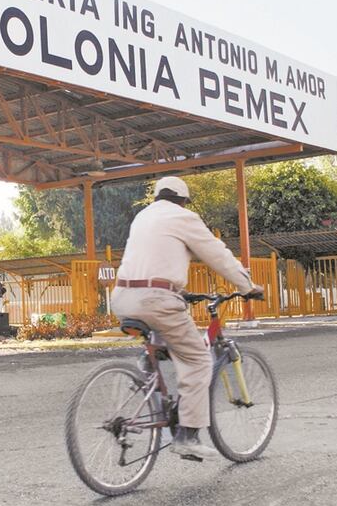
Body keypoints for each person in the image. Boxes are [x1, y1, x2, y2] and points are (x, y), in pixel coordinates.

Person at [111, 176, 263, 461]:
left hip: (122, 298)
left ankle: (148, 369)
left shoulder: (142, 217)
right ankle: (187, 436)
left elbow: (155, 259)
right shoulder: (183, 217)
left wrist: (178, 290)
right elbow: (217, 255)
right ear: (183, 200)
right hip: (156, 299)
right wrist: (247, 286)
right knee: (198, 360)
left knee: (164, 338)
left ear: (157, 197)